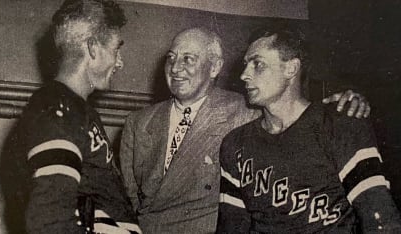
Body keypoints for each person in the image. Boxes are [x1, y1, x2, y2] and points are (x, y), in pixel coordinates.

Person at [119, 27, 371, 234]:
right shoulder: (137, 123)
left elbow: (292, 111)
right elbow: (129, 198)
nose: (175, 68)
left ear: (215, 67)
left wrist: (348, 100)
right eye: (171, 58)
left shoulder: (246, 111)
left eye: (188, 59)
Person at [217, 27, 401, 233]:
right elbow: (231, 227)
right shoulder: (235, 144)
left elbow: (381, 221)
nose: (244, 75)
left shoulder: (339, 125)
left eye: (257, 64)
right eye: (245, 65)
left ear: (291, 69)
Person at [10, 0, 141, 233]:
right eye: (116, 49)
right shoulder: (57, 107)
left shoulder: (78, 110)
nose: (119, 62)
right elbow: (48, 220)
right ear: (93, 48)